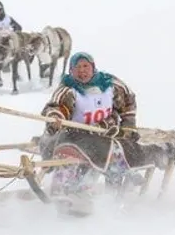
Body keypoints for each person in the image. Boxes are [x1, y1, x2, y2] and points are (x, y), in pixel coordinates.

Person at [38, 52, 140, 215]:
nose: (82, 71)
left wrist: (128, 124)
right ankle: (65, 194)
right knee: (68, 154)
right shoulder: (68, 90)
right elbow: (56, 107)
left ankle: (115, 193)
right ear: (71, 71)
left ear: (93, 67)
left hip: (106, 130)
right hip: (75, 134)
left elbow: (128, 102)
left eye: (86, 66)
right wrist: (56, 118)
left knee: (115, 154)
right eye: (77, 67)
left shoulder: (111, 84)